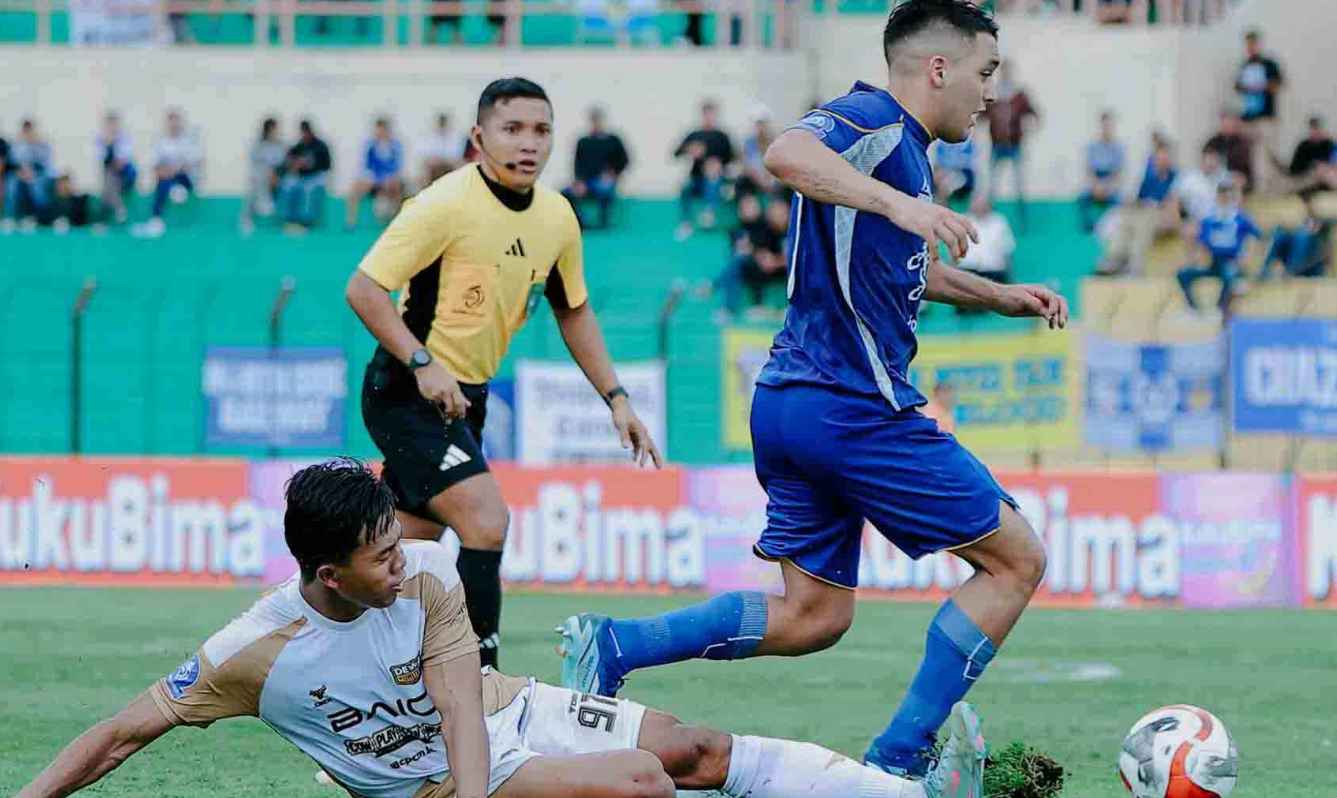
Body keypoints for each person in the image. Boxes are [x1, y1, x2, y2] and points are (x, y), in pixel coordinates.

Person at [558, 5, 1066, 797]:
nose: (990, 92)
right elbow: (784, 151)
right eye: (985, 72)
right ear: (937, 68)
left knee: (813, 617)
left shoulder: (907, 158)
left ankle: (612, 645)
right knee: (1015, 559)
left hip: (792, 402)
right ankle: (900, 761)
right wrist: (901, 205)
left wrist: (995, 296)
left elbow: (905, 269)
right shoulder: (874, 122)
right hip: (851, 405)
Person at [17, 458, 978, 798]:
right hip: (433, 785)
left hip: (492, 728)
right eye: (380, 557)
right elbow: (119, 734)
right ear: (325, 576)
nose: (404, 561)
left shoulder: (429, 586)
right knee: (645, 785)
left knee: (696, 748)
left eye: (400, 540)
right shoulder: (251, 655)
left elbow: (461, 707)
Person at [346, 77, 662, 672]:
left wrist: (616, 398)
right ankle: (479, 686)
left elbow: (573, 309)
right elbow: (364, 289)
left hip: (466, 399)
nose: (529, 143)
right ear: (479, 136)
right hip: (406, 390)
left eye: (541, 130)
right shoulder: (444, 203)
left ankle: (350, 677)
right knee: (486, 521)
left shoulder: (558, 218)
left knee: (398, 556)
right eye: (511, 129)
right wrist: (423, 362)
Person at [1176, 178, 1260, 313]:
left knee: (1231, 274)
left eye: (1229, 194)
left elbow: (1257, 238)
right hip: (1212, 262)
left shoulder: (1241, 219)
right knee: (1183, 274)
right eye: (1222, 194)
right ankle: (1193, 308)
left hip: (1232, 262)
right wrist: (1194, 255)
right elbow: (1201, 242)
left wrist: (1248, 255)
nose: (1225, 198)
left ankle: (1221, 307)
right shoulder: (1209, 219)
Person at [1097, 141, 1179, 275]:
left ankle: (1135, 264)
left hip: (1160, 216)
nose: (1161, 161)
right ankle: (1114, 257)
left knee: (1145, 219)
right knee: (1126, 219)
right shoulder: (1146, 175)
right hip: (1142, 212)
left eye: (1165, 157)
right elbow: (1132, 199)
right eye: (1158, 157)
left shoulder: (1175, 177)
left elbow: (1172, 205)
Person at [716, 193, 791, 318]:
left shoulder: (797, 230)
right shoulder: (765, 229)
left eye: (781, 211)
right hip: (768, 269)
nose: (777, 215)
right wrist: (764, 259)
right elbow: (758, 249)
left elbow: (799, 257)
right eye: (774, 212)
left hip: (788, 268)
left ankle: (795, 309)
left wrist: (776, 261)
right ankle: (735, 308)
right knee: (741, 262)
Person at [134, 109, 202, 239]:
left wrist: (173, 170)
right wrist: (164, 171)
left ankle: (176, 191)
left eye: (177, 122)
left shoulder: (188, 142)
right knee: (163, 183)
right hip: (166, 178)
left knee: (174, 179)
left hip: (184, 178)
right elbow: (153, 164)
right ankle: (156, 220)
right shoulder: (161, 142)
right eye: (171, 122)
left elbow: (191, 164)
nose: (174, 125)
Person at [674, 100, 736, 240]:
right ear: (702, 115)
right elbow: (676, 153)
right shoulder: (694, 135)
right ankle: (686, 223)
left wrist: (719, 164)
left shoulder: (722, 136)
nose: (709, 117)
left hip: (718, 178)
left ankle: (709, 213)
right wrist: (688, 149)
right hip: (696, 179)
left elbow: (732, 157)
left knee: (713, 180)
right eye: (706, 114)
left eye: (712, 114)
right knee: (685, 188)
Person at [984, 59, 1037, 222]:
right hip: (996, 145)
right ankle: (987, 216)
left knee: (1019, 184)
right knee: (992, 184)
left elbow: (1033, 114)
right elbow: (982, 114)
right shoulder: (993, 92)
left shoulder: (1019, 95)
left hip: (1015, 145)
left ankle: (1023, 219)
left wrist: (1029, 128)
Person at [561, 106, 630, 230]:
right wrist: (579, 181)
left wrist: (613, 175)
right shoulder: (583, 141)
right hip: (585, 182)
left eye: (598, 120)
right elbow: (577, 165)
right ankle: (580, 222)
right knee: (565, 193)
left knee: (605, 190)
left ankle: (603, 222)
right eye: (593, 120)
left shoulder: (613, 140)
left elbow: (625, 160)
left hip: (603, 182)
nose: (596, 123)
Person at [1235, 29, 1284, 194]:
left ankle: (1267, 189)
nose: (1250, 48)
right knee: (1252, 154)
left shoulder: (1269, 64)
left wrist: (1260, 86)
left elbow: (1277, 84)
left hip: (1265, 118)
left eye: (1253, 44)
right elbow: (1238, 86)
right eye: (1248, 45)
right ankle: (1257, 187)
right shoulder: (1245, 65)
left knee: (1265, 153)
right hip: (1249, 118)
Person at [346, 116, 406, 230]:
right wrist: (370, 178)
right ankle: (351, 222)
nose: (380, 132)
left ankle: (397, 221)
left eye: (383, 130)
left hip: (389, 179)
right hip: (373, 179)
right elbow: (364, 166)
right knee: (354, 189)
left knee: (396, 186)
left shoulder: (395, 145)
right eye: (378, 129)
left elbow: (398, 167)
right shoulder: (369, 145)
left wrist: (388, 178)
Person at [2, 118, 54, 234]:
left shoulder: (42, 144)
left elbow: (45, 164)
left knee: (37, 188)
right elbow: (12, 163)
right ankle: (10, 218)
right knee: (11, 186)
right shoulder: (16, 145)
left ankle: (36, 219)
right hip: (19, 174)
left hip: (37, 174)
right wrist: (20, 172)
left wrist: (32, 172)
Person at [279, 119, 332, 233]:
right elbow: (287, 161)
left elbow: (326, 166)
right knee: (288, 186)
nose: (304, 135)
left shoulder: (320, 146)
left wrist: (309, 166)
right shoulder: (299, 146)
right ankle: (289, 219)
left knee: (308, 189)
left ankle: (306, 221)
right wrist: (294, 164)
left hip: (316, 177)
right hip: (301, 177)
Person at [1078, 110, 1124, 232]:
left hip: (1110, 184)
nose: (1106, 128)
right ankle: (1089, 228)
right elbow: (1090, 170)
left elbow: (1117, 172)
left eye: (1109, 125)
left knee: (1119, 200)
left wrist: (1106, 187)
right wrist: (1096, 186)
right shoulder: (1093, 146)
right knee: (1082, 198)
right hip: (1095, 183)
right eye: (1104, 125)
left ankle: (1113, 228)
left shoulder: (1118, 147)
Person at [240, 116, 287, 234]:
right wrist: (266, 174)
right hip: (260, 178)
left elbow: (283, 163)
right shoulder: (258, 145)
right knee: (253, 187)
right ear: (268, 129)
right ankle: (246, 220)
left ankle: (283, 223)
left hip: (276, 179)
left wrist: (276, 175)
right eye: (274, 129)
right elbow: (256, 163)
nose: (276, 132)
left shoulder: (281, 146)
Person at [954, 193, 1014, 284]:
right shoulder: (963, 220)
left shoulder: (999, 222)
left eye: (983, 203)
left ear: (989, 204)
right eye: (976, 202)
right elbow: (955, 248)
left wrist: (1009, 277)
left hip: (994, 271)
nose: (979, 206)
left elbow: (1007, 250)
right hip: (968, 270)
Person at [93, 111, 136, 225]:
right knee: (108, 185)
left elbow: (126, 157)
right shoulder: (100, 139)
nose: (112, 127)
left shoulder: (125, 137)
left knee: (110, 183)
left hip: (125, 172)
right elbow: (100, 157)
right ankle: (118, 208)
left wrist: (118, 161)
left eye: (114, 124)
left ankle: (109, 215)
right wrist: (108, 144)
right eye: (109, 124)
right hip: (110, 172)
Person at [1205, 108, 1253, 192]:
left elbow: (1244, 169)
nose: (1228, 125)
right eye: (1226, 122)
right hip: (1214, 176)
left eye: (1231, 122)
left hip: (1237, 178)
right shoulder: (1213, 142)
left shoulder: (1243, 143)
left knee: (1237, 181)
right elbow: (1206, 160)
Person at [419, 112, 467, 185]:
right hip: (435, 167)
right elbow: (427, 157)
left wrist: (443, 160)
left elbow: (457, 156)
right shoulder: (431, 136)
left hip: (449, 166)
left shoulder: (455, 137)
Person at [933, 136, 976, 205]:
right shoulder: (940, 139)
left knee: (949, 181)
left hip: (963, 172)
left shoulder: (972, 137)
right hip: (943, 170)